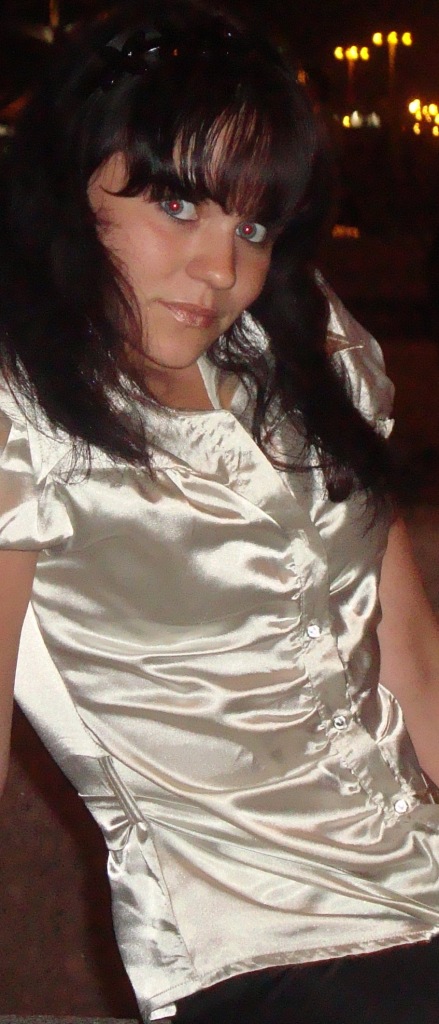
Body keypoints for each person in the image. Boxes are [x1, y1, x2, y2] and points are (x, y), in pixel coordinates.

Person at [1, 2, 439, 1022]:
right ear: (69, 186)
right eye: (177, 205)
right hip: (258, 952)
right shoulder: (21, 411)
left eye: (252, 226)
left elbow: (410, 653)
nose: (221, 268)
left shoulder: (310, 349)